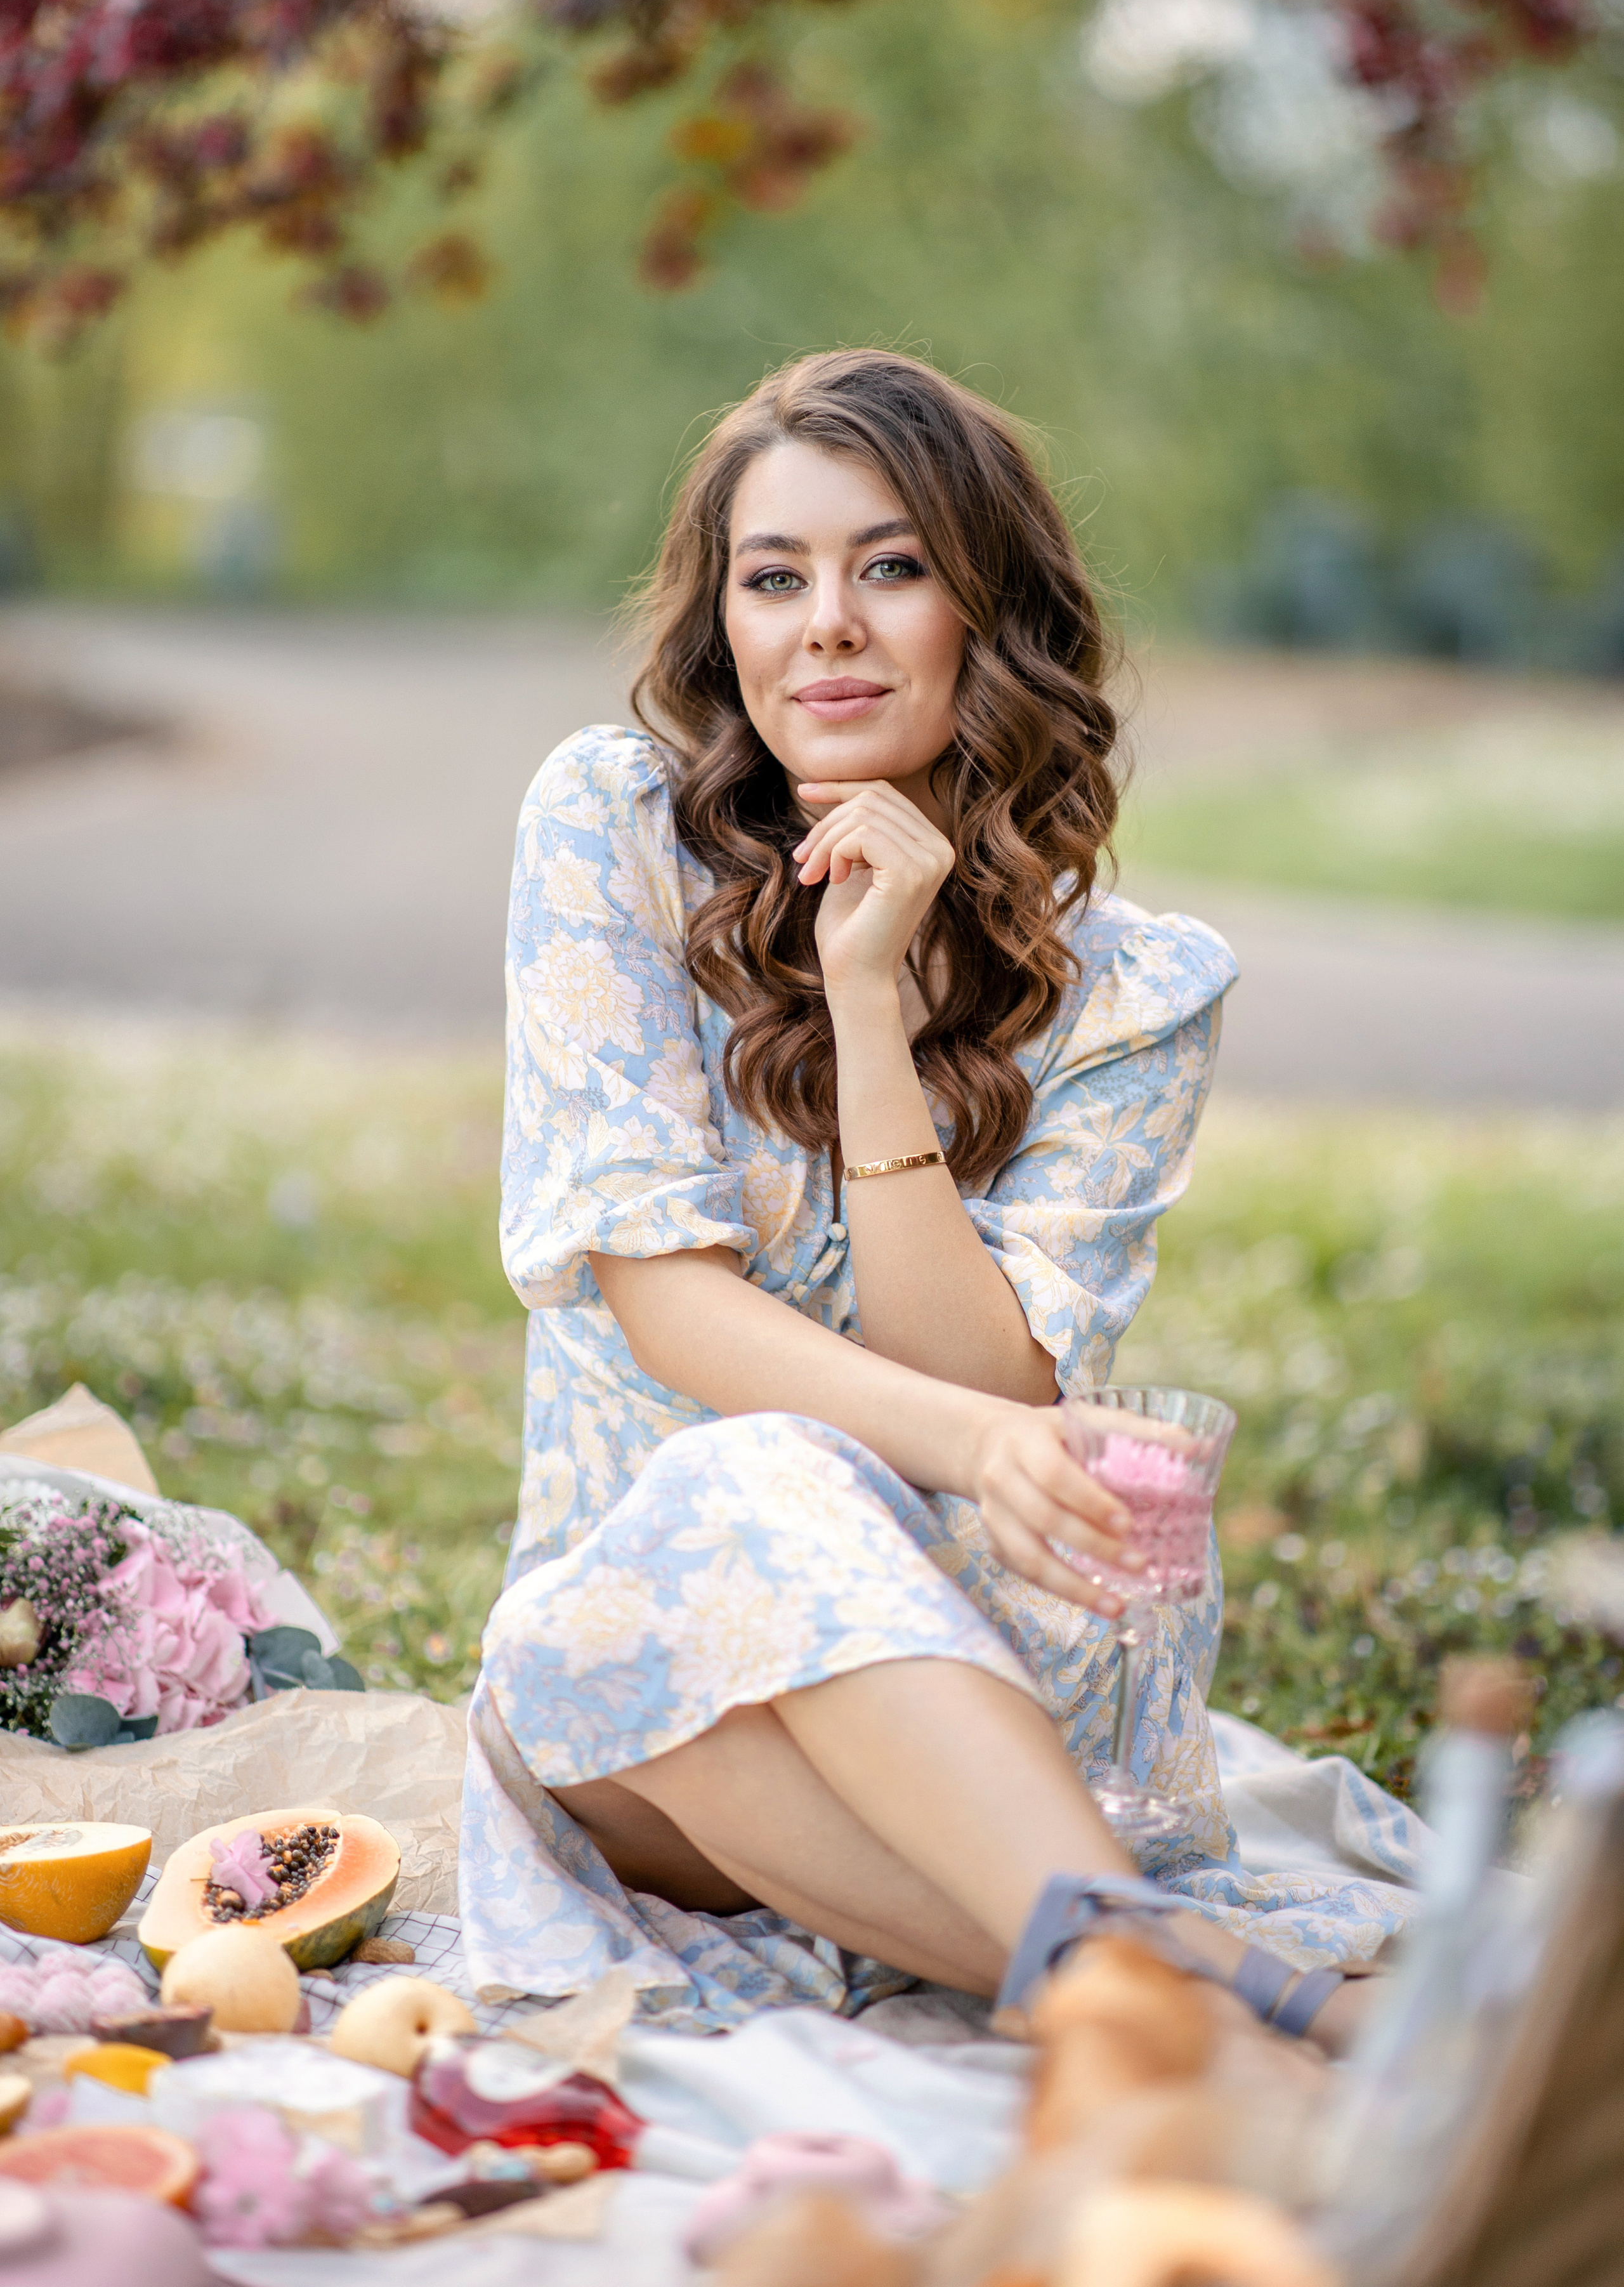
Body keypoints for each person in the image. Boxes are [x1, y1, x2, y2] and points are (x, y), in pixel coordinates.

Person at [459, 350, 1411, 2047]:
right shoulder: (606, 829)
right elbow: (666, 1308)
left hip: (968, 1702)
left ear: (992, 611)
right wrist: (984, 1451)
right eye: (776, 578)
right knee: (733, 1484)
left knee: (790, 1494)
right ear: (723, 627)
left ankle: (1151, 2014)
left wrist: (875, 1004)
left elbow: (977, 1378)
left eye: (889, 566)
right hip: (636, 1684)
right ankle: (1242, 2001)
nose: (826, 623)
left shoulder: (1139, 992)